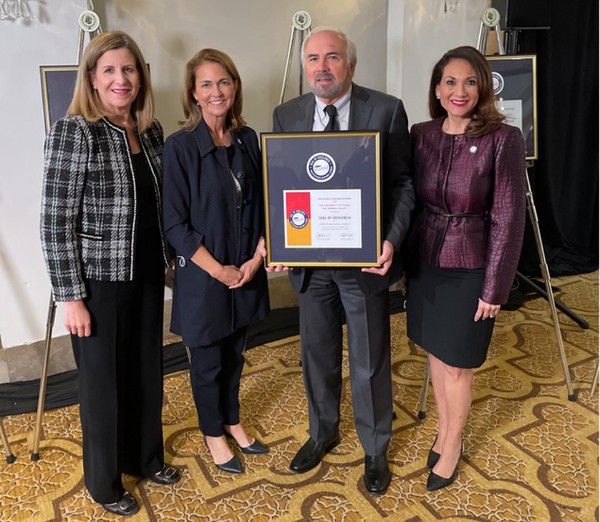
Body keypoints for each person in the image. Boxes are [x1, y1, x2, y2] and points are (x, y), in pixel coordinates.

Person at [40, 31, 180, 516]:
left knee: (145, 373)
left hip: (144, 276)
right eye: (109, 71)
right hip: (97, 285)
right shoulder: (76, 131)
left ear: (141, 76)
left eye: (129, 69)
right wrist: (70, 297)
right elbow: (55, 221)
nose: (121, 79)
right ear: (93, 80)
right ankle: (103, 483)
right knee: (102, 386)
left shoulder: (152, 130)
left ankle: (145, 458)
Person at [272, 27, 414, 494]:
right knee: (316, 356)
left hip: (365, 263)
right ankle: (323, 433)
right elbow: (283, 185)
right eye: (313, 58)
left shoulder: (386, 109)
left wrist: (390, 241)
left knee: (369, 359)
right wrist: (277, 240)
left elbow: (401, 185)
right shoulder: (288, 113)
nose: (322, 67)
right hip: (311, 265)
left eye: (332, 58)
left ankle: (375, 448)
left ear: (350, 65)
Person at [406, 46, 527, 491]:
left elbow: (509, 218)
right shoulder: (420, 133)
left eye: (470, 82)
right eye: (451, 82)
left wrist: (496, 286)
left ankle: (452, 442)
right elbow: (409, 200)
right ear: (437, 90)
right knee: (437, 353)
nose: (460, 91)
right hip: (425, 261)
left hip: (472, 265)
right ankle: (444, 426)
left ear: (483, 88)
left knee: (459, 364)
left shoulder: (503, 139)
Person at [162, 49, 270, 475]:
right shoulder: (181, 147)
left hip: (245, 272)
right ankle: (213, 433)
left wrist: (256, 260)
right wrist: (218, 269)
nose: (216, 91)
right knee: (207, 364)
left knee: (236, 356)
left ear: (235, 86)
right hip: (205, 277)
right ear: (193, 93)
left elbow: (263, 206)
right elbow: (175, 224)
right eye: (206, 84)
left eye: (223, 81)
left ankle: (233, 420)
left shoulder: (248, 140)